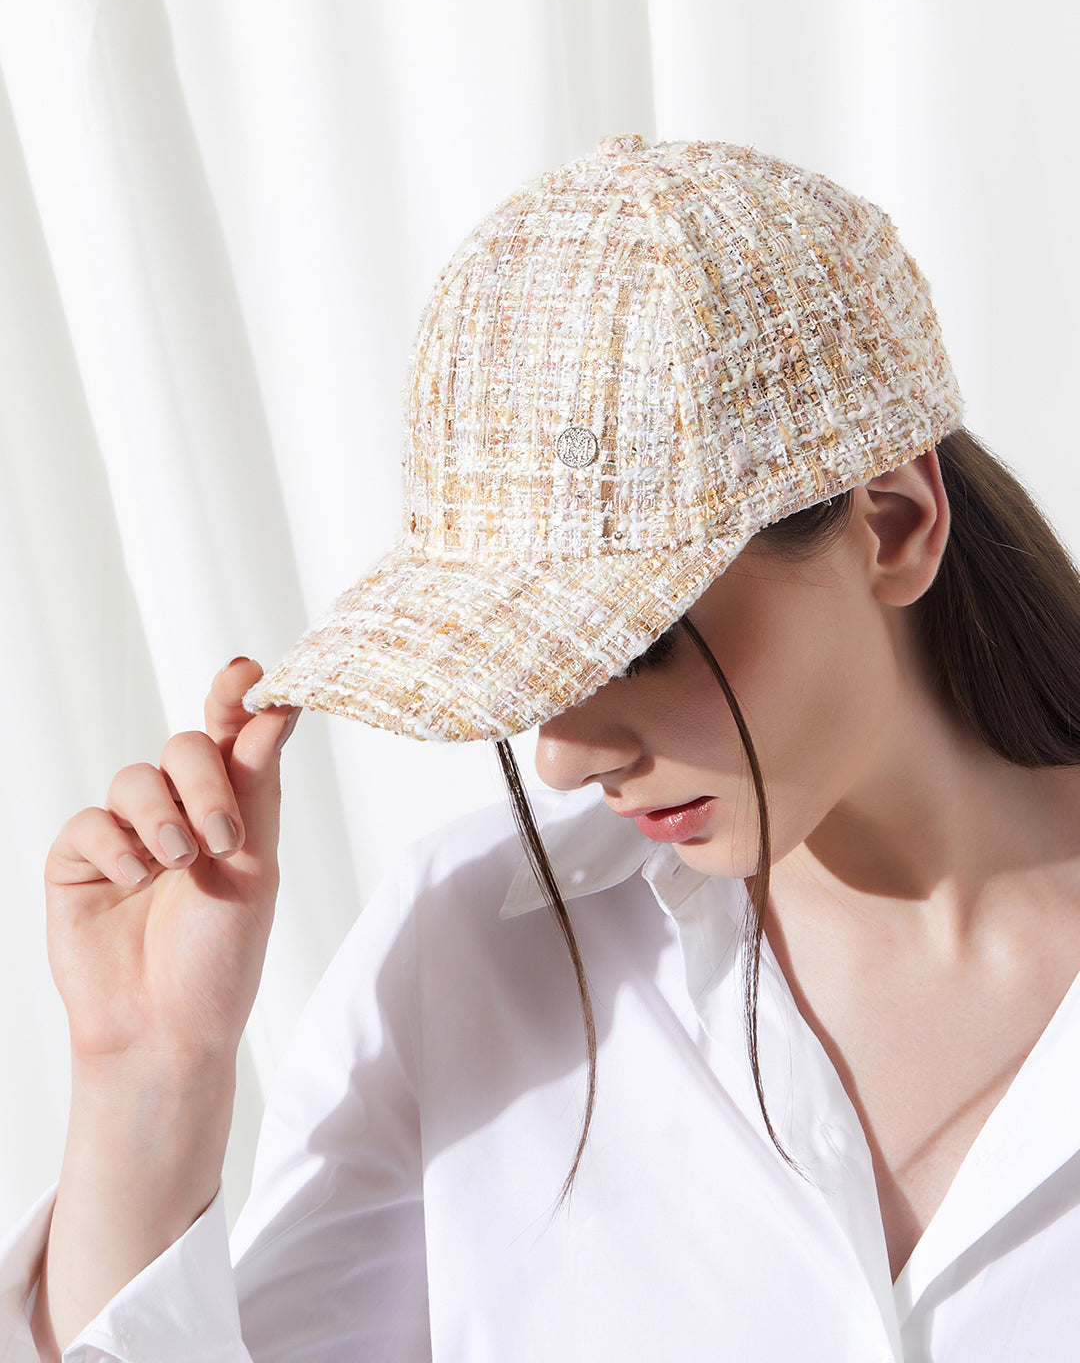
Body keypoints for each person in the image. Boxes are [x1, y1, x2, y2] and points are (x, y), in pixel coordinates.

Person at [5, 136, 1080, 1361]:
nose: (562, 760)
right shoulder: (466, 953)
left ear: (892, 524)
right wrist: (149, 1075)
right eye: (525, 668)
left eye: (636, 646)